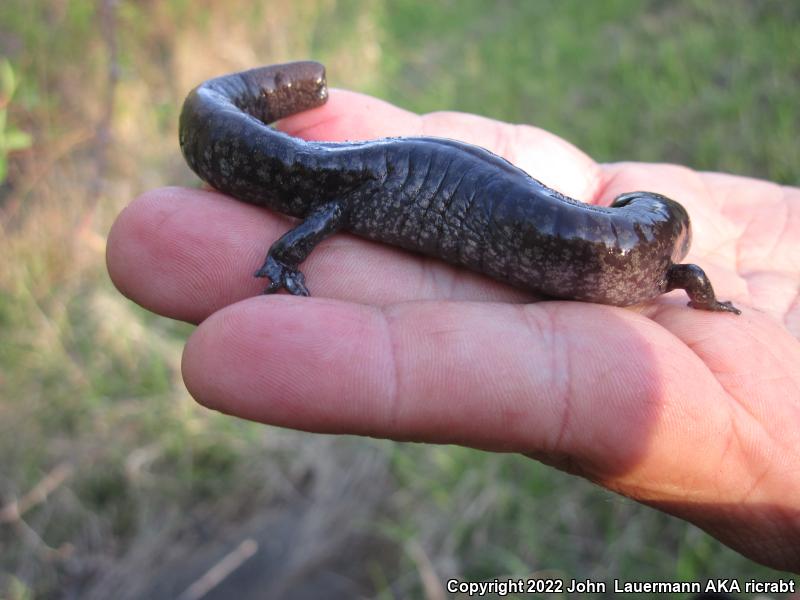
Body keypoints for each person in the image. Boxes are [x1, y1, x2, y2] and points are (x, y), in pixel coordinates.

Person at [106, 87, 800, 573]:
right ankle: (280, 255)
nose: (618, 214)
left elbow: (690, 283)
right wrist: (287, 256)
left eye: (628, 210)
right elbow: (690, 279)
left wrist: (711, 311)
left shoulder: (662, 274)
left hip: (413, 172)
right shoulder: (665, 270)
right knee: (325, 205)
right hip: (368, 179)